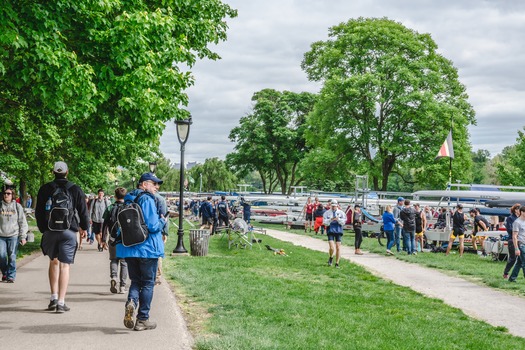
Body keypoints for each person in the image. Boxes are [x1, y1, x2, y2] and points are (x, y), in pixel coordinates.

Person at [35, 161, 89, 313]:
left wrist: (43, 229)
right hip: (68, 231)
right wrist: (84, 228)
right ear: (67, 172)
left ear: (53, 172)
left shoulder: (45, 189)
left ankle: (53, 297)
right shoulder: (75, 189)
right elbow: (83, 212)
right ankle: (61, 302)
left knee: (53, 262)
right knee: (65, 266)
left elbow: (38, 211)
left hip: (50, 231)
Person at [117, 172, 166, 331]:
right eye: (154, 183)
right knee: (147, 283)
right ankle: (142, 319)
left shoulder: (129, 199)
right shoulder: (146, 199)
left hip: (130, 248)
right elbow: (152, 226)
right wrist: (162, 221)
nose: (156, 187)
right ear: (144, 184)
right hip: (147, 249)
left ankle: (131, 302)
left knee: (136, 281)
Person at [101, 187, 129, 294]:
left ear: (115, 196)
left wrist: (103, 240)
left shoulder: (110, 208)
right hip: (125, 240)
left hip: (113, 238)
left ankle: (114, 277)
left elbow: (104, 225)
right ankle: (122, 286)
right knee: (124, 262)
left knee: (113, 260)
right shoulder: (128, 207)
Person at [1, 186, 28, 283]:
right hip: (1, 236)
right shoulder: (0, 206)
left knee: (12, 256)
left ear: (12, 195)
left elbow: (22, 222)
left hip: (13, 235)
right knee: (1, 255)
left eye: (8, 193)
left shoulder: (17, 206)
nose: (6, 195)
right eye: (4, 193)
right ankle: (5, 273)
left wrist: (23, 236)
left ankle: (11, 275)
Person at [152, 181, 169, 286]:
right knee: (158, 254)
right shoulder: (160, 199)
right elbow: (165, 217)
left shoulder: (143, 198)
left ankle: (152, 276)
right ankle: (157, 276)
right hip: (158, 230)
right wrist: (165, 232)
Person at [323, 200, 346, 268]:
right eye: (332, 206)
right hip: (330, 230)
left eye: (334, 206)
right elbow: (324, 222)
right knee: (332, 247)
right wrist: (331, 219)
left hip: (338, 230)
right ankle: (331, 256)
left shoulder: (341, 213)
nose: (333, 207)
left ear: (337, 206)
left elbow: (344, 222)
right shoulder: (327, 213)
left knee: (338, 247)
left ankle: (337, 263)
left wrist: (338, 219)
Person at [503, 204, 521, 279]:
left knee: (520, 259)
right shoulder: (510, 218)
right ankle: (506, 272)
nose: (519, 211)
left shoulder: (521, 219)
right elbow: (509, 229)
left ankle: (514, 275)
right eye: (517, 209)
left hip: (521, 239)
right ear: (515, 210)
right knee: (513, 258)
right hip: (512, 239)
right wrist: (517, 232)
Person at [509, 206, 525, 283]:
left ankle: (512, 278)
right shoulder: (517, 222)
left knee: (519, 263)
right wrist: (516, 248)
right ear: (522, 212)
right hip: (521, 244)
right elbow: (514, 236)